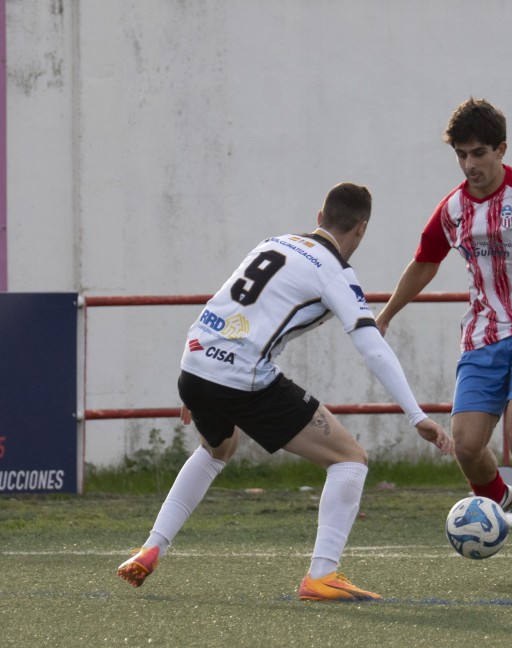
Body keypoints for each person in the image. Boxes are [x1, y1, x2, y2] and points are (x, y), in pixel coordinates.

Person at [116, 183, 453, 601]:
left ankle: (152, 546)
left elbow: (228, 305)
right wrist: (416, 415)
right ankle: (321, 577)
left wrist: (197, 383)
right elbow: (372, 347)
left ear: (319, 217)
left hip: (196, 361)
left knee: (218, 449)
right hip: (241, 378)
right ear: (361, 230)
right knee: (351, 458)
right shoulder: (335, 272)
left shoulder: (273, 242)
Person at [376, 98, 512, 586]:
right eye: (461, 155)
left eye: (478, 153)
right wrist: (386, 314)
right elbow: (425, 262)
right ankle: (504, 500)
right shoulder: (452, 209)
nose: (470, 164)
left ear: (501, 149)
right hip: (482, 337)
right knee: (468, 447)